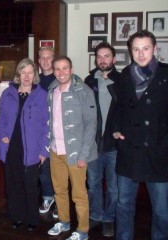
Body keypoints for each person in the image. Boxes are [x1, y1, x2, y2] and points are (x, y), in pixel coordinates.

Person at [113, 30, 168, 240]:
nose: (141, 53)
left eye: (145, 48)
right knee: (124, 205)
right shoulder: (125, 75)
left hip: (159, 153)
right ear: (131, 52)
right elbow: (119, 108)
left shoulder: (166, 73)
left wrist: (164, 145)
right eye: (136, 49)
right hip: (130, 151)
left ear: (155, 49)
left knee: (162, 211)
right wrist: (116, 131)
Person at [47, 56, 97, 240]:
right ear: (54, 71)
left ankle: (83, 231)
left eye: (65, 68)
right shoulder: (51, 90)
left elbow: (91, 124)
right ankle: (64, 222)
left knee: (79, 194)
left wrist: (84, 153)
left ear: (71, 69)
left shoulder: (83, 91)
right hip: (55, 150)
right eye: (57, 69)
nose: (61, 72)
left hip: (76, 153)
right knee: (59, 190)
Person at [0, 58, 49, 231]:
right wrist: (2, 134)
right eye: (23, 72)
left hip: (32, 149)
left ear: (35, 75)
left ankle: (32, 219)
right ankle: (17, 216)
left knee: (31, 186)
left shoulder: (42, 95)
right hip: (11, 147)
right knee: (14, 185)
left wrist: (43, 151)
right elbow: (1, 118)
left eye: (30, 72)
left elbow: (47, 126)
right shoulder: (8, 93)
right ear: (18, 74)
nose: (26, 76)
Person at [84, 42, 120, 237]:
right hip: (93, 144)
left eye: (107, 56)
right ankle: (96, 215)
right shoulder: (89, 81)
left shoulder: (123, 80)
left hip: (114, 145)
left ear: (114, 59)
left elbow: (127, 109)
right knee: (94, 183)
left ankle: (109, 218)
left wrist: (119, 130)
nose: (103, 60)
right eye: (99, 56)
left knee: (114, 187)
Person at [37, 46, 58, 218]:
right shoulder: (34, 80)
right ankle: (48, 197)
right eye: (42, 58)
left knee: (60, 170)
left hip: (58, 131)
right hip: (39, 132)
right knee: (44, 168)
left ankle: (60, 202)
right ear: (38, 60)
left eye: (49, 57)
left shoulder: (60, 78)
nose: (45, 61)